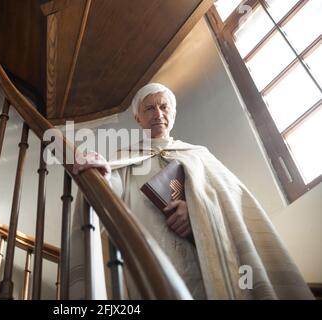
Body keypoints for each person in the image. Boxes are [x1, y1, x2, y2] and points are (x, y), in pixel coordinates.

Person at [70, 83, 314, 300]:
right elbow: (110, 195)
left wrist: (195, 211)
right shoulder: (122, 158)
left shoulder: (199, 154)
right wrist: (102, 173)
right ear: (137, 118)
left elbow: (230, 202)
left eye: (164, 107)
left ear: (173, 114)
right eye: (149, 109)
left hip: (203, 259)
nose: (158, 114)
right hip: (147, 255)